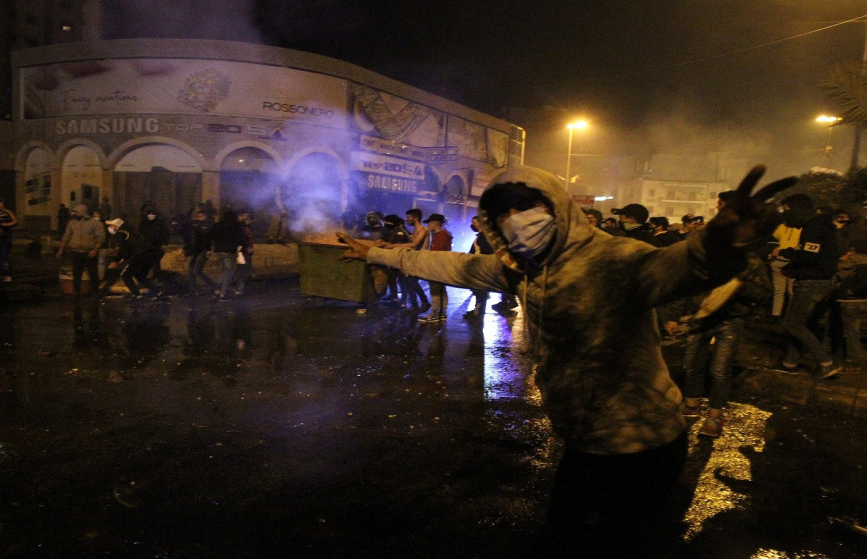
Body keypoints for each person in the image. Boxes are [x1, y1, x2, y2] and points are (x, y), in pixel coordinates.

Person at [336, 164, 793, 557]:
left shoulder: (617, 258)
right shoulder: (526, 269)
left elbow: (681, 267)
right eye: (504, 213)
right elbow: (455, 267)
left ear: (559, 208)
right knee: (574, 538)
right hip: (587, 437)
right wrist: (378, 253)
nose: (517, 221)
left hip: (643, 442)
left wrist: (721, 242)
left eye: (527, 207)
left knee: (616, 543)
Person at [676, 244, 773, 438]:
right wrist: (674, 314)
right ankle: (692, 403)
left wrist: (741, 286)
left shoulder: (750, 262)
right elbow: (685, 286)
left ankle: (715, 415)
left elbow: (765, 294)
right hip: (700, 317)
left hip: (730, 319)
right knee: (691, 364)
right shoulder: (703, 257)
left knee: (720, 369)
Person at [770, 193, 842, 379]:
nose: (785, 215)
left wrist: (784, 253)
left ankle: (825, 363)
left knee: (792, 324)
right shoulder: (822, 225)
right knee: (800, 324)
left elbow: (810, 257)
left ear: (799, 210)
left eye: (787, 210)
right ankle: (790, 362)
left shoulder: (814, 227)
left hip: (812, 283)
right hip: (822, 281)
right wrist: (792, 270)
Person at [104, 217, 162, 299]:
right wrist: (122, 260)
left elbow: (123, 249)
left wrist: (116, 261)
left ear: (116, 226)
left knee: (125, 275)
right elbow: (130, 249)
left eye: (111, 225)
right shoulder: (131, 231)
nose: (110, 228)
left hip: (141, 254)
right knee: (140, 276)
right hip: (151, 254)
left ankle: (137, 294)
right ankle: (158, 291)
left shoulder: (121, 232)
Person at [56, 204, 106, 297]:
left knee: (93, 273)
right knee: (76, 273)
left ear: (82, 212)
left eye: (76, 212)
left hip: (89, 252)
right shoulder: (72, 223)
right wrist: (61, 250)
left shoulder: (95, 224)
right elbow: (67, 236)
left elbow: (101, 237)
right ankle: (76, 292)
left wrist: (95, 250)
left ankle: (94, 292)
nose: (74, 214)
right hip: (76, 251)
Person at [834, 237, 867, 373]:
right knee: (855, 331)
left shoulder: (851, 262)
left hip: (851, 302)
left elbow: (838, 270)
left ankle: (855, 362)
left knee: (851, 333)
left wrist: (850, 290)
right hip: (863, 301)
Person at [205, 209, 247, 301]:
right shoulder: (236, 225)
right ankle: (223, 294)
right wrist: (242, 246)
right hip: (229, 251)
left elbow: (208, 236)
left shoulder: (217, 225)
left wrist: (209, 248)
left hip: (218, 251)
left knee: (223, 271)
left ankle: (216, 291)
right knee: (229, 272)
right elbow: (242, 237)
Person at [417, 213, 452, 323]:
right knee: (441, 290)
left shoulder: (441, 236)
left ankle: (435, 314)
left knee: (435, 291)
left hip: (437, 267)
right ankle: (442, 314)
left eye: (429, 223)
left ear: (435, 224)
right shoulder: (441, 235)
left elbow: (435, 254)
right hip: (442, 267)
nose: (427, 226)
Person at [185, 207, 216, 295]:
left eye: (201, 216)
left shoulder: (208, 225)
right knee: (191, 270)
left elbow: (207, 238)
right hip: (196, 250)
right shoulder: (196, 224)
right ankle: (192, 290)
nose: (199, 217)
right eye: (198, 216)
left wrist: (208, 250)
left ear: (205, 216)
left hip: (204, 250)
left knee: (197, 271)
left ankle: (214, 285)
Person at [0, 196, 18, 282]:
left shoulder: (7, 212)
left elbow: (15, 221)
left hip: (5, 238)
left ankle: (7, 274)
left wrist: (6, 225)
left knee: (4, 256)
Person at [232, 208, 254, 295]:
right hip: (242, 251)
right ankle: (239, 288)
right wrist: (246, 247)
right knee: (242, 269)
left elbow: (249, 238)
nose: (247, 218)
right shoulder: (239, 227)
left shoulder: (246, 227)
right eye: (246, 216)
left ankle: (239, 287)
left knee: (244, 269)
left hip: (246, 250)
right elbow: (242, 239)